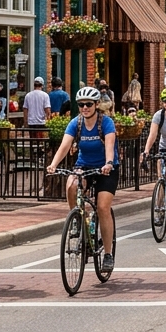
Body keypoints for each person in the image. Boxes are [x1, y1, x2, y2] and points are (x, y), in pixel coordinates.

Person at [47, 86, 119, 268]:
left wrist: (109, 163)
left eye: (88, 104)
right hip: (84, 166)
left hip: (106, 168)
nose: (84, 107)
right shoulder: (76, 123)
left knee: (103, 207)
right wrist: (53, 164)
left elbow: (110, 146)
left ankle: (108, 254)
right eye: (81, 104)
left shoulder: (106, 123)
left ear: (96, 104)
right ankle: (77, 218)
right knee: (71, 183)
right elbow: (64, 146)